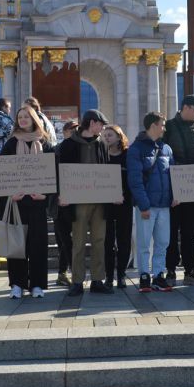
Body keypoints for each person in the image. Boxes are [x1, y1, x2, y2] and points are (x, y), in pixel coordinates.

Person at [0, 105, 54, 299]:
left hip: (37, 204)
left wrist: (45, 195)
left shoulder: (45, 144)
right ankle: (17, 283)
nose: (22, 120)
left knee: (38, 245)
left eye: (26, 117)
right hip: (17, 203)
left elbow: (53, 173)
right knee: (17, 245)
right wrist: (9, 194)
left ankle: (37, 284)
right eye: (19, 117)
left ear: (33, 119)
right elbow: (2, 172)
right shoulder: (11, 144)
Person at [58, 110, 113, 296]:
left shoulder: (102, 145)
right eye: (101, 124)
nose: (103, 128)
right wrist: (62, 195)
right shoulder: (67, 145)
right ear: (92, 123)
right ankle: (77, 282)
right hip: (78, 203)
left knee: (99, 241)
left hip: (99, 202)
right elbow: (62, 173)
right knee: (78, 243)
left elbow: (107, 173)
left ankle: (98, 280)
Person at [164, 95, 194, 287]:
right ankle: (171, 271)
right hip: (173, 191)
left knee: (191, 233)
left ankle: (190, 271)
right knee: (171, 233)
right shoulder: (168, 127)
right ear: (186, 108)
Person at [127, 112, 175, 292]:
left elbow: (173, 175)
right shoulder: (136, 149)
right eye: (162, 124)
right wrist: (143, 205)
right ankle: (144, 276)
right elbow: (135, 180)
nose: (164, 128)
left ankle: (158, 275)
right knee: (144, 243)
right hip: (147, 206)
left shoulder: (167, 149)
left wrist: (174, 196)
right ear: (153, 126)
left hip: (164, 206)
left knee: (163, 242)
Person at [102, 124, 132, 288]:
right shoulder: (100, 155)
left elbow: (132, 179)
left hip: (124, 203)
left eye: (110, 135)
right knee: (107, 241)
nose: (106, 138)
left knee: (123, 240)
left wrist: (123, 195)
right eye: (105, 135)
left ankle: (121, 274)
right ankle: (109, 276)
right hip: (105, 204)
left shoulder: (127, 156)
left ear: (119, 137)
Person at [54, 120, 78, 286]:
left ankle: (65, 272)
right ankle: (66, 271)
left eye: (77, 129)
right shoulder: (58, 150)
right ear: (65, 132)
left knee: (69, 240)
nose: (75, 132)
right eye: (72, 130)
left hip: (76, 201)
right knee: (64, 239)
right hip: (60, 203)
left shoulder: (81, 149)